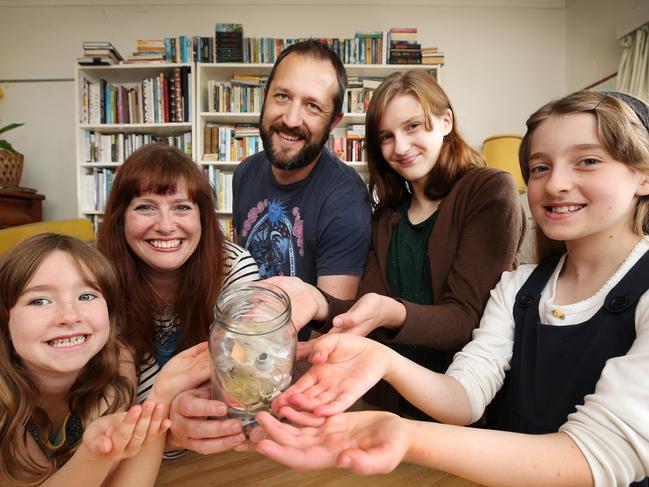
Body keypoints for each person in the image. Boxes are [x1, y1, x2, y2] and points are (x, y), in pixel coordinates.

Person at [254, 91, 649, 486]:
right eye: (540, 167)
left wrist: (408, 437)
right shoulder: (519, 287)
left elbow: (598, 454)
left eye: (588, 161)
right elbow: (465, 395)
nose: (556, 183)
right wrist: (382, 360)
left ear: (644, 174)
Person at [265, 69, 525, 418]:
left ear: (446, 121)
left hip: (465, 412)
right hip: (388, 406)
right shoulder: (385, 217)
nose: (400, 147)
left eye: (413, 126)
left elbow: (468, 320)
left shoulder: (489, 191)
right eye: (386, 136)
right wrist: (317, 302)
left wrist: (390, 311)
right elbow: (368, 312)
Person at [0, 233, 209, 486]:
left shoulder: (118, 361)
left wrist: (160, 397)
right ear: (5, 322)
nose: (69, 316)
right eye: (39, 300)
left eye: (86, 296)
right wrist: (94, 456)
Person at [97, 143, 260, 455]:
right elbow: (108, 416)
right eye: (145, 207)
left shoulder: (234, 266)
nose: (166, 225)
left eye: (182, 207)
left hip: (220, 456)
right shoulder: (95, 281)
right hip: (128, 460)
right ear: (120, 218)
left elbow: (246, 383)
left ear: (203, 216)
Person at [232, 40, 372, 324]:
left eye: (312, 106)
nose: (292, 119)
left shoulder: (346, 199)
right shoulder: (244, 172)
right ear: (265, 97)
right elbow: (239, 272)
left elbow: (332, 328)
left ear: (334, 122)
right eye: (282, 96)